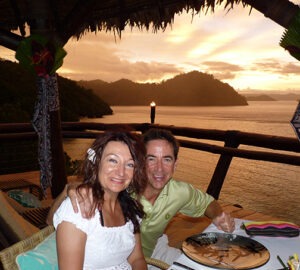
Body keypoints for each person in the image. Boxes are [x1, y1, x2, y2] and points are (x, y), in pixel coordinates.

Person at [48, 128, 235, 267]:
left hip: (152, 250)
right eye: (151, 159)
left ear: (175, 164)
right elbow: (53, 222)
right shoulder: (111, 193)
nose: (159, 168)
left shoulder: (132, 205)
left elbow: (208, 203)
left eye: (167, 159)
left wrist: (219, 216)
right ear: (141, 162)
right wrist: (69, 190)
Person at [52, 130, 147, 270]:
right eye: (113, 160)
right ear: (97, 162)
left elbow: (137, 258)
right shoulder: (78, 209)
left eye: (129, 164)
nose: (121, 172)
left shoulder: (130, 207)